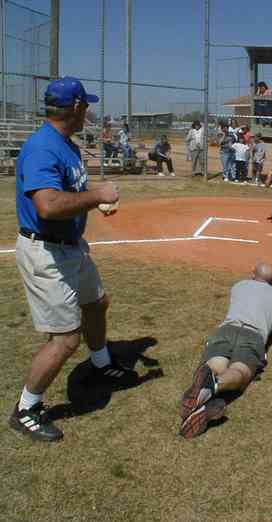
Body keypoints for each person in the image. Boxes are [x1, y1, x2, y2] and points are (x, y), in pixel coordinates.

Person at [11, 77, 136, 442]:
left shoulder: (66, 146)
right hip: (47, 252)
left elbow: (68, 196)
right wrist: (98, 192)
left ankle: (100, 365)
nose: (89, 112)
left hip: (71, 246)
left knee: (97, 303)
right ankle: (26, 408)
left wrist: (93, 202)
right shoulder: (43, 148)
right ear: (77, 108)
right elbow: (47, 205)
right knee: (65, 340)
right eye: (87, 106)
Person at [179, 261, 272, 439]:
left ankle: (204, 391)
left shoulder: (239, 285)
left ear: (253, 274)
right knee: (240, 373)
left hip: (226, 329)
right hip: (253, 336)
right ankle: (212, 387)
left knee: (215, 366)